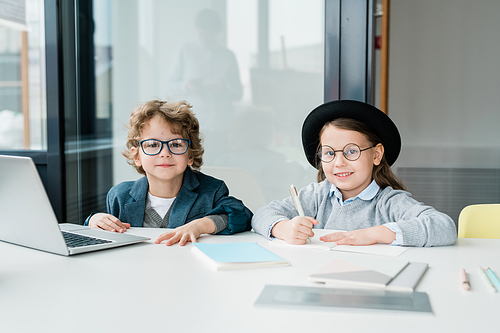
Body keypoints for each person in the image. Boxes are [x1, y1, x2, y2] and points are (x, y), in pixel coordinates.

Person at [251, 100, 457, 247]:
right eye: (329, 153)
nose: (339, 162)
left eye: (351, 151)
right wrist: (284, 228)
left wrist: (376, 233)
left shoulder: (388, 202)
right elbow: (261, 214)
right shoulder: (316, 196)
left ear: (376, 155)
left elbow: (444, 227)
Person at [85, 100, 252, 246]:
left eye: (176, 144)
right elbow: (105, 237)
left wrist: (201, 225)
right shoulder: (119, 196)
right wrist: (93, 220)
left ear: (190, 155)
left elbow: (242, 215)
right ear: (137, 156)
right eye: (152, 145)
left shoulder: (212, 190)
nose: (165, 153)